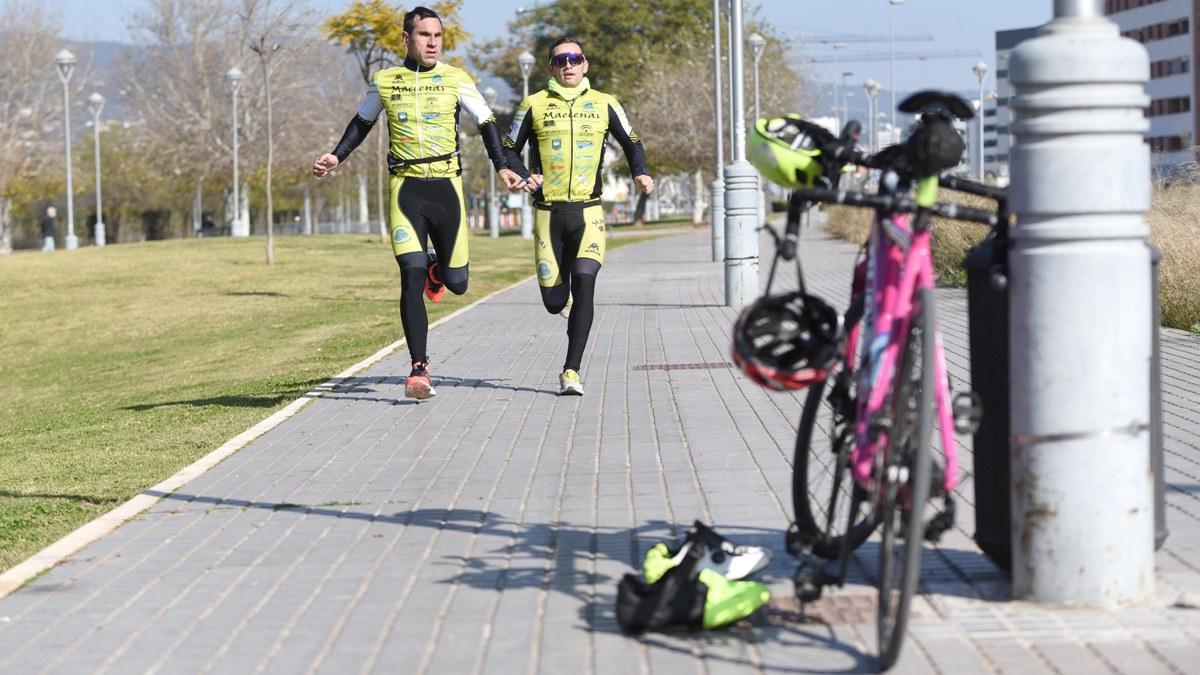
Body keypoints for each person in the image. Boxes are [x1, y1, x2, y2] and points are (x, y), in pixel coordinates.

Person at [312, 5, 526, 400]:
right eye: (424, 35)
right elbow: (362, 122)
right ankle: (419, 368)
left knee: (458, 284)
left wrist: (502, 167)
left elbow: (487, 123)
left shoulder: (456, 79)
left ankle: (437, 269)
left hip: (446, 187)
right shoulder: (385, 81)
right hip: (406, 189)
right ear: (406, 38)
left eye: (437, 36)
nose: (432, 42)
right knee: (408, 273)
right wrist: (336, 156)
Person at [504, 36, 654, 396]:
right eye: (560, 60)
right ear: (551, 68)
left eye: (575, 59)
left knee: (585, 281)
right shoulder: (534, 104)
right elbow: (508, 149)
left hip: (588, 212)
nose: (568, 65)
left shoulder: (604, 104)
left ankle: (571, 371)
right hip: (548, 214)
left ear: (585, 64)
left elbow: (632, 142)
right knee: (555, 302)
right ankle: (563, 301)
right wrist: (524, 176)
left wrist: (640, 171)